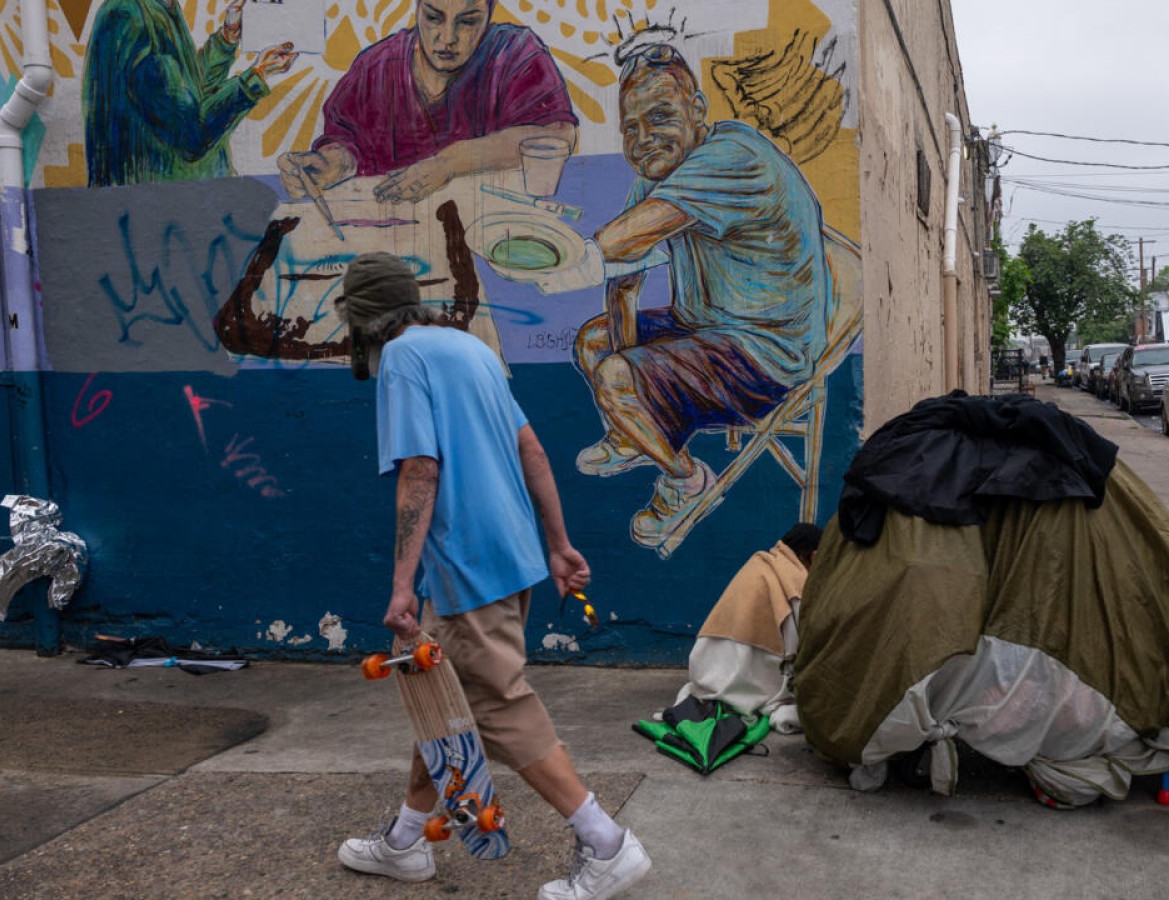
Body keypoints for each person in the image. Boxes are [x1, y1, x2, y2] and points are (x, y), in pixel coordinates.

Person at [333, 252, 650, 899]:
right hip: (513, 556)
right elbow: (529, 446)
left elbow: (420, 471)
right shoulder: (466, 347)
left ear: (362, 318)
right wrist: (558, 545)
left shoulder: (401, 359)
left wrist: (400, 586)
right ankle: (405, 840)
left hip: (466, 567)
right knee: (442, 700)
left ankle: (605, 842)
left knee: (493, 705)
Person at [572, 43, 831, 547]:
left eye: (661, 116)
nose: (644, 139)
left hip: (767, 351)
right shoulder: (659, 170)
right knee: (593, 344)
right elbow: (624, 277)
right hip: (707, 329)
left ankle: (685, 480)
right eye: (631, 128)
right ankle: (636, 432)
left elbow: (615, 242)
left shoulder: (732, 157)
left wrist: (557, 256)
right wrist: (627, 383)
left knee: (616, 376)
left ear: (697, 111)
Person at [277, 0, 577, 204]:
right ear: (417, 8)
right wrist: (334, 163)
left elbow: (560, 135)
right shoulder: (376, 67)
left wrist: (452, 162)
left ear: (490, 12)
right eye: (433, 17)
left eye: (468, 21)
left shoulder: (516, 55)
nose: (448, 38)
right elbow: (346, 141)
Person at [83, 0, 297, 186]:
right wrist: (254, 79)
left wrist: (227, 38)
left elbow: (190, 92)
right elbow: (191, 134)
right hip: (159, 211)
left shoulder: (161, 7)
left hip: (181, 205)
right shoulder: (129, 16)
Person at [674, 523, 821, 731]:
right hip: (740, 686)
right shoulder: (796, 580)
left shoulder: (759, 564)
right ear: (814, 557)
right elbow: (803, 644)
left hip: (703, 676)